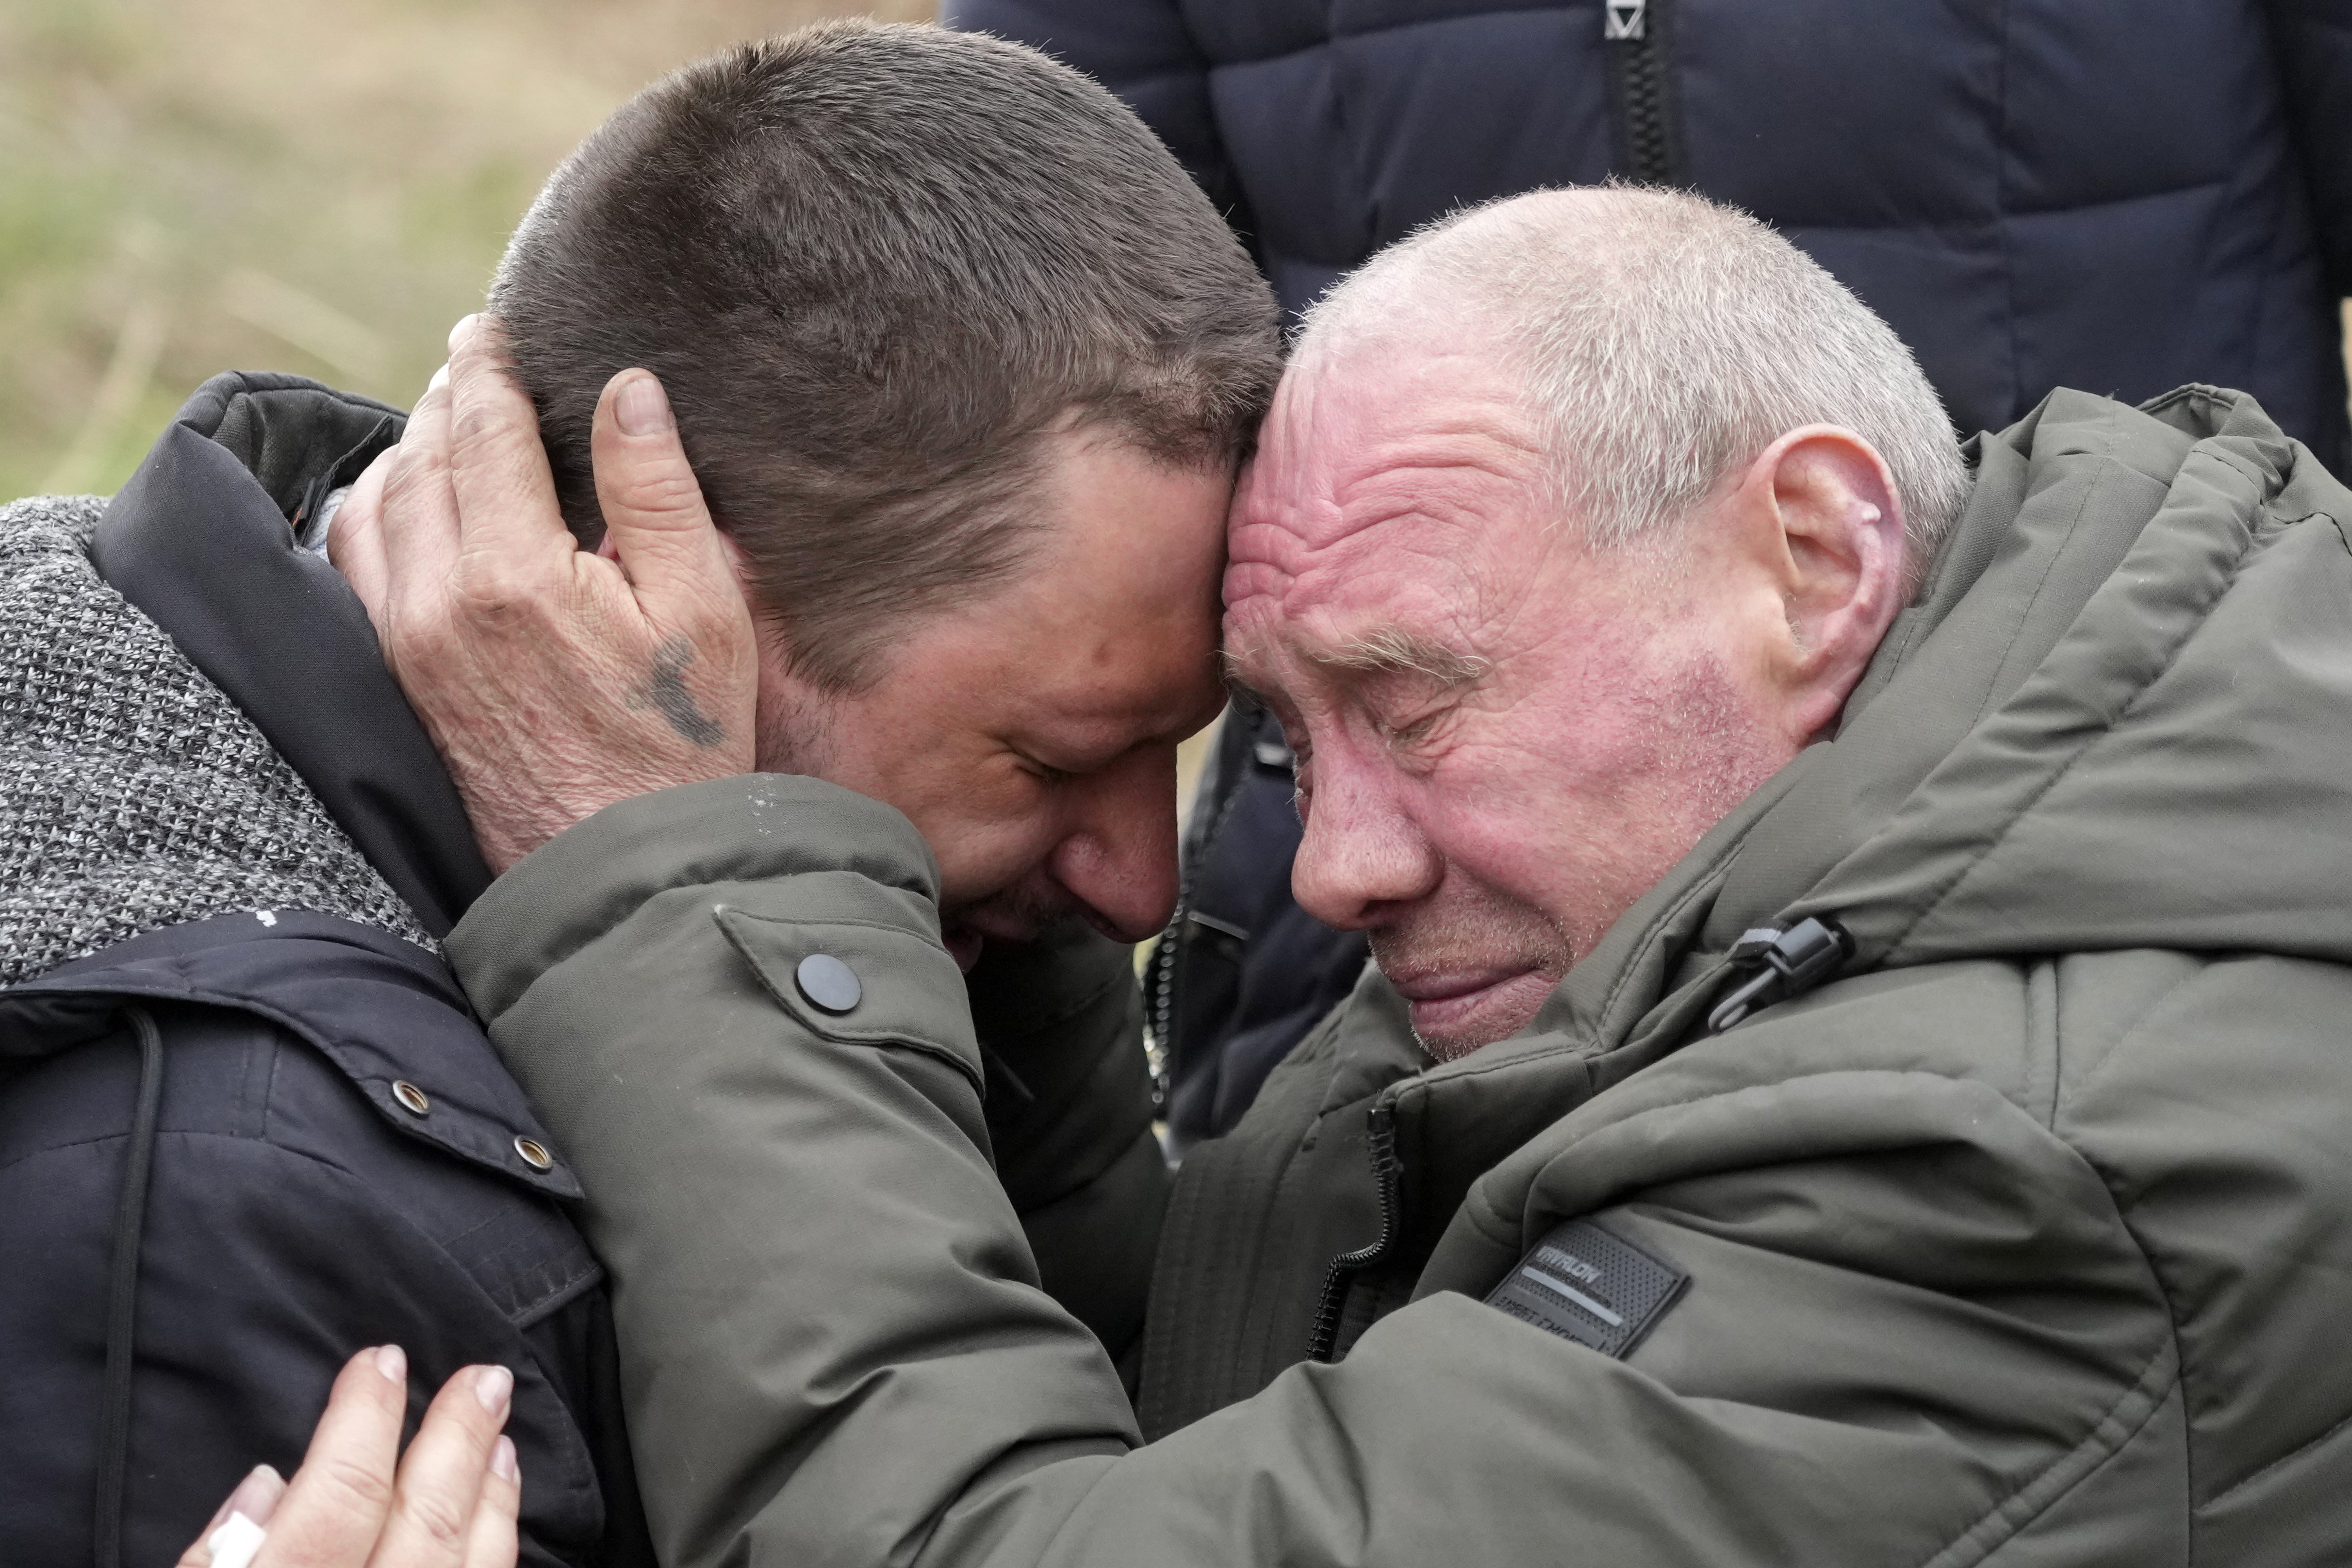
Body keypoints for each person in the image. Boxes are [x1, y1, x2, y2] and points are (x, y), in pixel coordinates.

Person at [280, 182, 2352, 1563]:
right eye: (1279, 733)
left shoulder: (2013, 1172)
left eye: (1415, 703)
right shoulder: (1791, 877)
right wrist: (968, 903)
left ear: (1813, 560)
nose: (1333, 859)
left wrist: (675, 883)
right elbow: (1237, 1440)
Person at [3, 21, 1279, 1564]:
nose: (1144, 885)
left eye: (1181, 750)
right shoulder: (239, 1193)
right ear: (658, 590)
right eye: (1060, 758)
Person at [948, 0, 2352, 1147]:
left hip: (2094, 918)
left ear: (1818, 551)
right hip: (1382, 1009)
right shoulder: (1351, 869)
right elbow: (1058, 389)